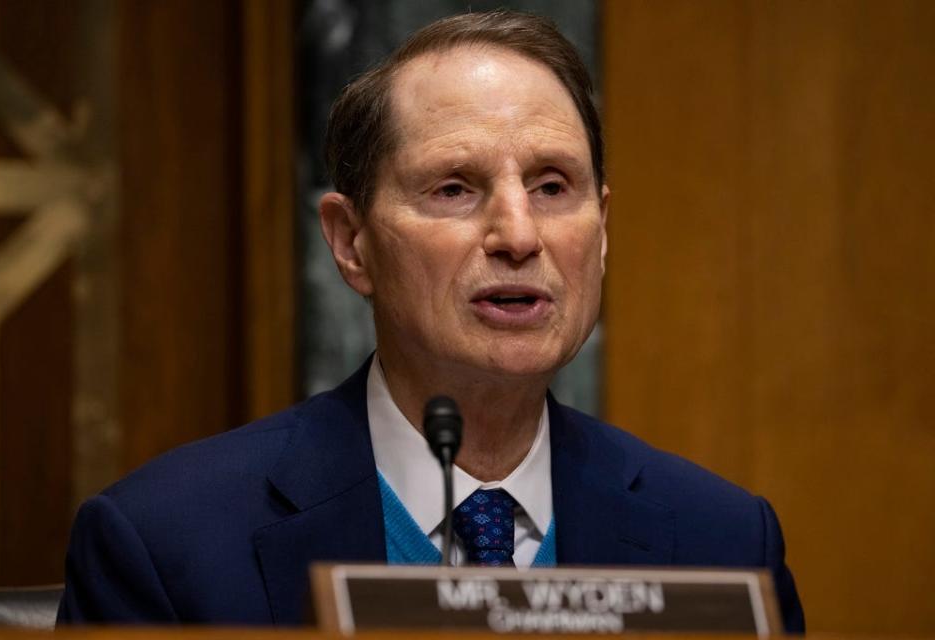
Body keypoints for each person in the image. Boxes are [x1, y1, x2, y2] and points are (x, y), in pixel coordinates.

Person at [58, 10, 804, 632]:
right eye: (454, 188)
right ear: (352, 244)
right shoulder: (165, 543)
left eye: (552, 186)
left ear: (601, 232)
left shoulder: (724, 541)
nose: (518, 235)